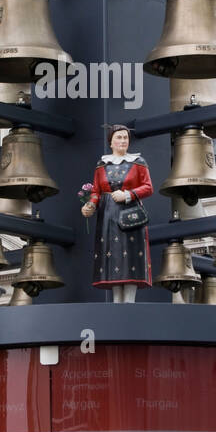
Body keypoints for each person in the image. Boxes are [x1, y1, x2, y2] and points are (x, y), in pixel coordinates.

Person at [81, 125, 153, 302]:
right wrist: (90, 205)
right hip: (108, 216)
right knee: (113, 257)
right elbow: (96, 191)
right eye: (119, 138)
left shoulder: (138, 162)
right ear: (111, 142)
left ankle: (129, 302)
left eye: (125, 138)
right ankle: (116, 302)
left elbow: (148, 187)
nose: (122, 141)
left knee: (130, 258)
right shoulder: (102, 165)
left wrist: (128, 194)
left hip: (130, 214)